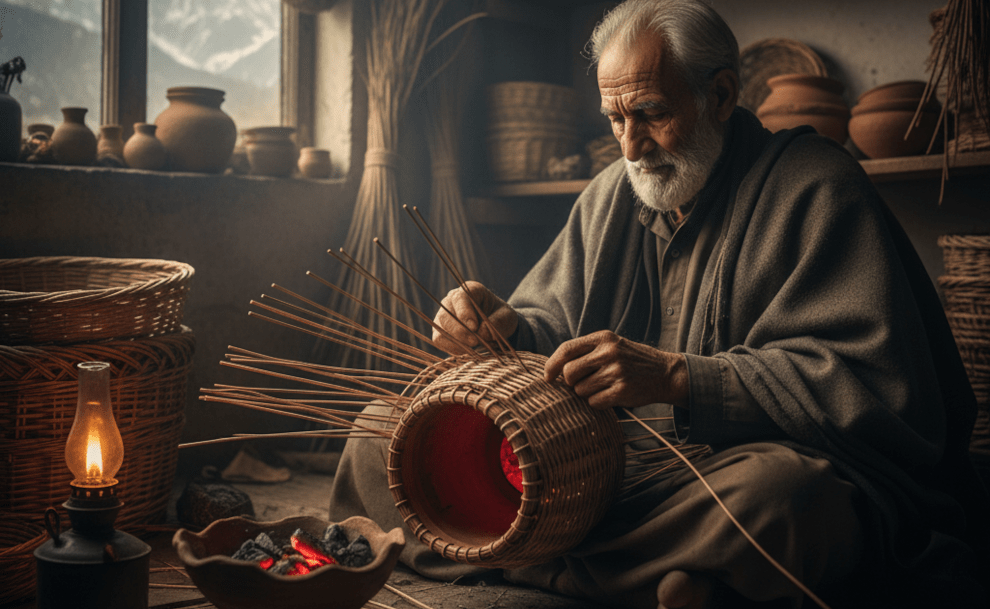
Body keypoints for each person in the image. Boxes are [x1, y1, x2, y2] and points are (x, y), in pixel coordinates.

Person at [328, 0, 990, 607]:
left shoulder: (817, 187)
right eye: (615, 118)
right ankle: (669, 579)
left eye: (651, 113)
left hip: (725, 476)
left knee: (788, 504)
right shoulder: (614, 190)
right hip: (602, 472)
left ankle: (526, 561)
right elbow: (549, 326)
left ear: (721, 95)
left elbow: (876, 389)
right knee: (377, 435)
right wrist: (504, 328)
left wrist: (678, 378)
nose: (630, 145)